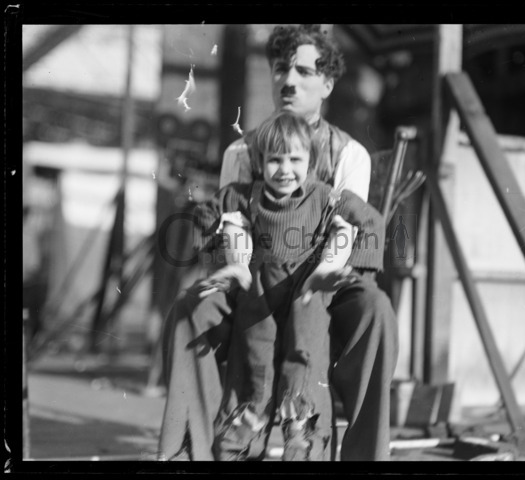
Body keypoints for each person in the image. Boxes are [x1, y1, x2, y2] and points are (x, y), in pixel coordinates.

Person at [158, 24, 398, 461]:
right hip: (255, 278)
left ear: (327, 84)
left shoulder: (349, 154)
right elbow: (229, 223)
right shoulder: (242, 152)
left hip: (322, 283)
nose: (290, 81)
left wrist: (326, 273)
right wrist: (232, 267)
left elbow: (349, 228)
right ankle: (192, 451)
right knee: (189, 308)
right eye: (281, 69)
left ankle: (364, 457)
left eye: (305, 72)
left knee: (376, 309)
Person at [196, 111, 385, 461]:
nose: (285, 169)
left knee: (305, 357)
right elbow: (208, 212)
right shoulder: (246, 195)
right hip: (260, 292)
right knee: (254, 361)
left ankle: (302, 441)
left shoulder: (325, 197)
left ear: (310, 161)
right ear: (261, 163)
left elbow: (370, 220)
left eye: (295, 159)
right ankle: (240, 442)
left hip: (307, 291)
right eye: (275, 160)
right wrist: (228, 256)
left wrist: (346, 267)